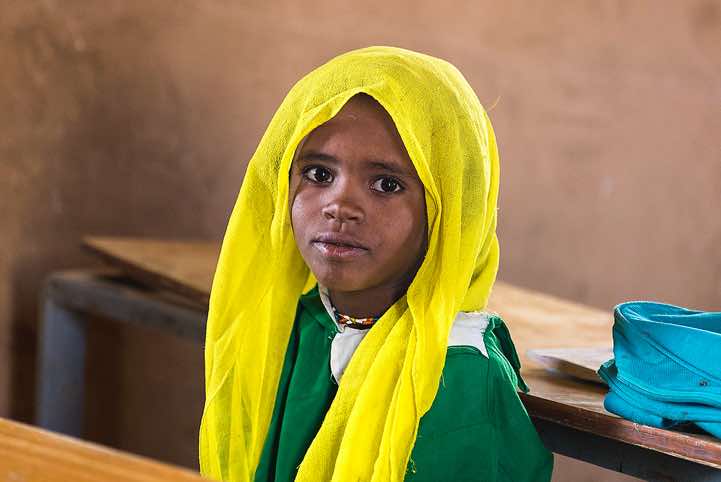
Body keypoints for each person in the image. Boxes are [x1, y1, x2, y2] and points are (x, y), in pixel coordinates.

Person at [199, 46, 553, 482]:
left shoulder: (455, 374)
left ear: (450, 214)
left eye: (386, 184)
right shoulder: (298, 323)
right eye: (318, 174)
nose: (340, 206)